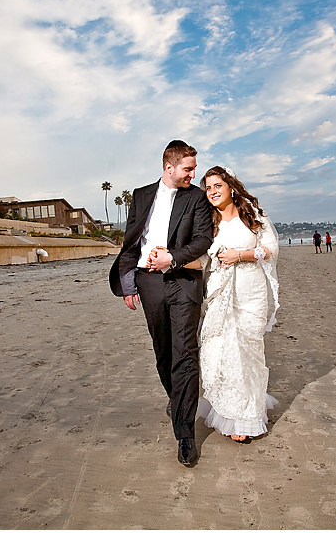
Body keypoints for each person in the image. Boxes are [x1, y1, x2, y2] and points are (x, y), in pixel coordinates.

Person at [109, 140, 213, 467]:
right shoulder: (141, 196)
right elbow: (131, 241)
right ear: (169, 167)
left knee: (185, 352)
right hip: (148, 282)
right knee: (163, 351)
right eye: (188, 169)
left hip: (183, 281)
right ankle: (177, 398)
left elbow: (203, 239)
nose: (192, 174)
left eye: (193, 169)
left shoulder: (195, 197)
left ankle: (185, 433)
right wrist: (128, 283)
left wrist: (173, 258)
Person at [196, 166, 279, 443]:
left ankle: (248, 415)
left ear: (231, 187)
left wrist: (241, 255)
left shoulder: (253, 216)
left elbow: (271, 249)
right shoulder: (208, 222)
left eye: (217, 185)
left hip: (251, 293)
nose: (213, 192)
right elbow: (203, 260)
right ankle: (231, 414)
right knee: (222, 353)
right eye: (208, 188)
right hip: (220, 295)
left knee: (249, 354)